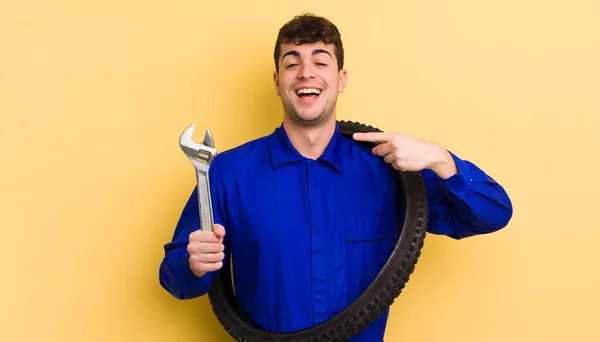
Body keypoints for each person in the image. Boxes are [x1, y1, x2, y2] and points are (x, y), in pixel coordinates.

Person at [159, 13, 513, 342]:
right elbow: (175, 279)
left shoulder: (391, 171)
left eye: (320, 61)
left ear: (340, 80)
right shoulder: (227, 172)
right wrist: (193, 263)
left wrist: (441, 159)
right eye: (292, 63)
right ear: (277, 82)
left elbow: (492, 214)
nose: (305, 73)